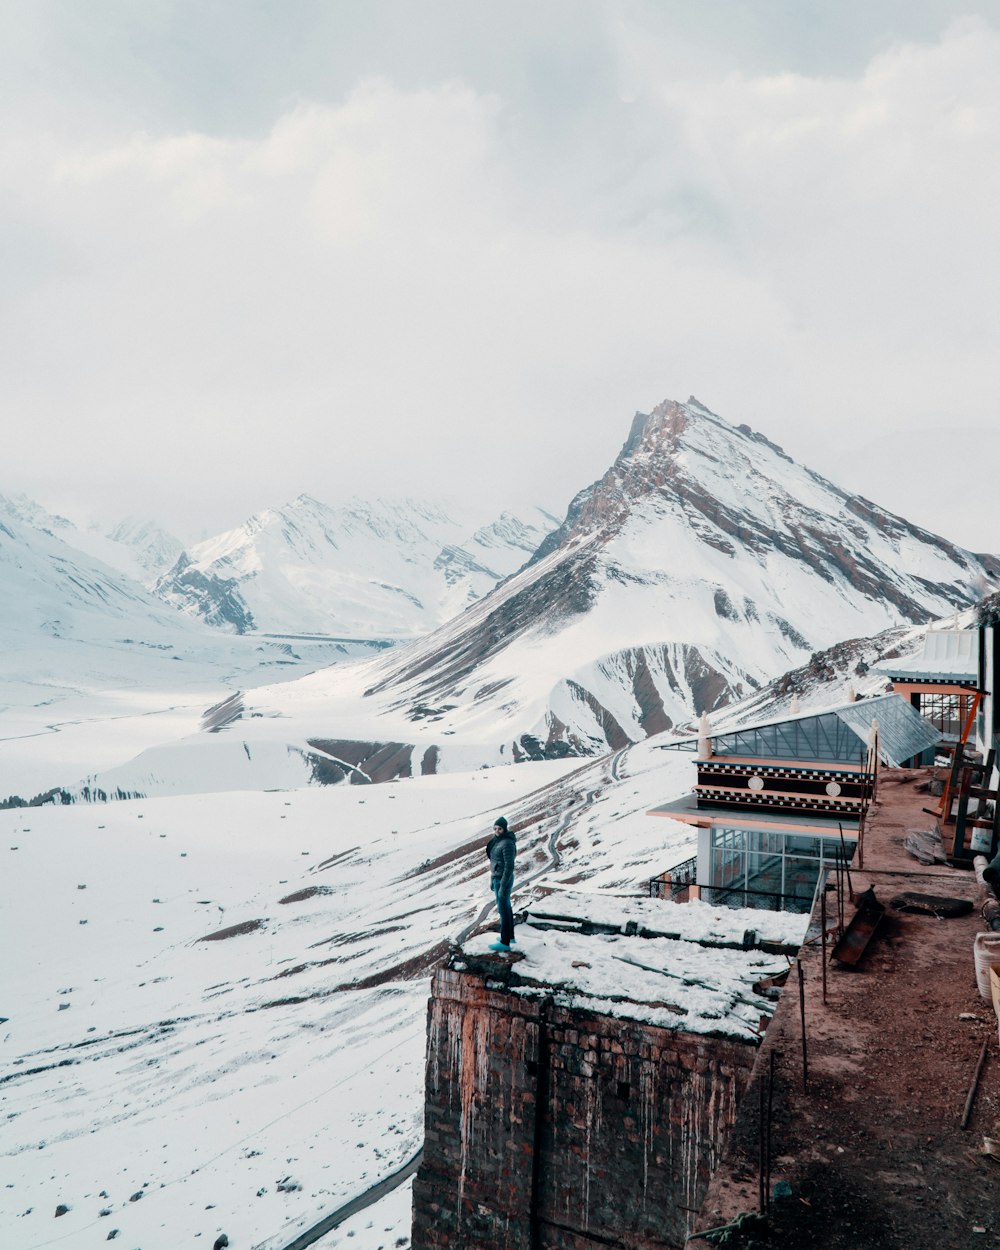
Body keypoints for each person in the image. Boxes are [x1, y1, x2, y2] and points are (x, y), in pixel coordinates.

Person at [486, 816, 516, 951]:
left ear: (505, 829)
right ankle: (510, 937)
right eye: (495, 828)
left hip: (504, 879)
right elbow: (495, 863)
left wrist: (502, 886)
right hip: (498, 878)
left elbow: (509, 866)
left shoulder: (507, 843)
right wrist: (492, 880)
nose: (497, 831)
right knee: (506, 907)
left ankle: (504, 943)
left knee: (503, 910)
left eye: (500, 828)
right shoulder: (498, 841)